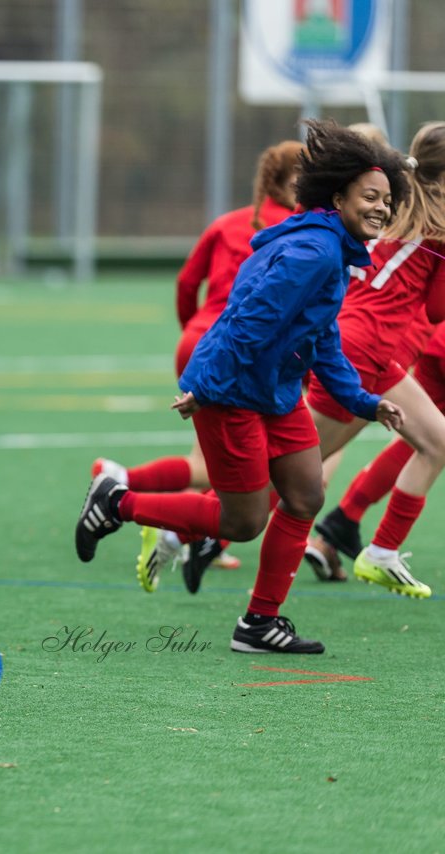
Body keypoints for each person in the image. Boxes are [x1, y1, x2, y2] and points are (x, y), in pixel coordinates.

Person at [76, 119, 407, 655]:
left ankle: (259, 623)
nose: (381, 209)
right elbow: (248, 318)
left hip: (273, 391)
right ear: (339, 194)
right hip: (232, 391)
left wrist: (364, 403)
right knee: (244, 520)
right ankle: (118, 502)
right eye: (371, 196)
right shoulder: (317, 252)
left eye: (387, 201)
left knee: (305, 493)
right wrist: (205, 386)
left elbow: (320, 338)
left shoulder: (331, 248)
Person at [91, 140, 303, 592]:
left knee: (213, 463)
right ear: (286, 184)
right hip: (240, 352)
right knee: (266, 468)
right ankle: (139, 502)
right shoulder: (299, 233)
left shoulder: (228, 222)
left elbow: (188, 282)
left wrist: (194, 329)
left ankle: (141, 497)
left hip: (200, 342)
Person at [296, 121, 445, 598]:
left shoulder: (394, 204)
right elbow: (438, 309)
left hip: (371, 350)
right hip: (364, 349)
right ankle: (175, 525)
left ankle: (381, 552)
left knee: (438, 442)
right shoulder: (436, 226)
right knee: (292, 472)